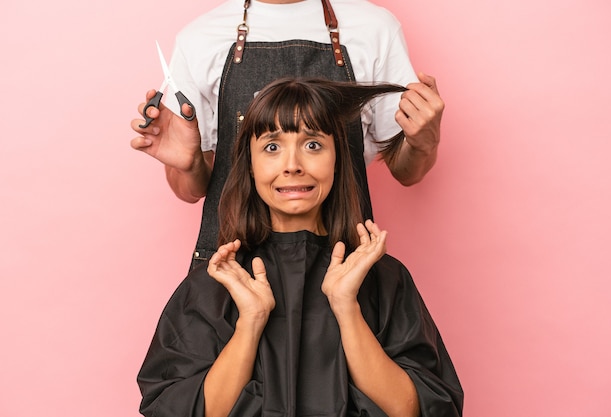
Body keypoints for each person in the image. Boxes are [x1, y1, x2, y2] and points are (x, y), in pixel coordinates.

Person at [137, 78, 462, 417]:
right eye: (272, 147)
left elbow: (423, 410)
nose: (292, 165)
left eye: (313, 145)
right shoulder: (213, 286)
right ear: (249, 164)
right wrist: (251, 320)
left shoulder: (385, 280)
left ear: (337, 159)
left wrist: (346, 306)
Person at [130, 0, 445, 270]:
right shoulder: (200, 38)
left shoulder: (375, 28)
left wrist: (423, 139)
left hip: (344, 270)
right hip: (231, 271)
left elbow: (408, 172)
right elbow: (190, 190)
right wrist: (189, 165)